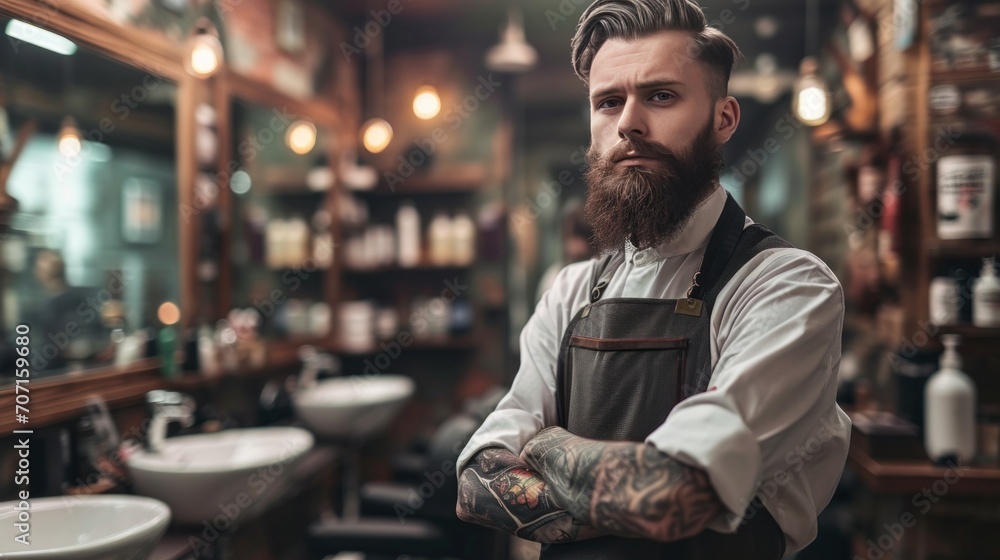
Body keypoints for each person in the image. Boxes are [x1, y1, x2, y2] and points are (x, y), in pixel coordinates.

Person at [455, 1, 850, 559]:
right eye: (608, 101)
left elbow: (671, 493)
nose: (629, 123)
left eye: (661, 96)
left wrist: (542, 444)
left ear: (724, 119)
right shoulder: (569, 290)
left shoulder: (785, 287)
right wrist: (624, 494)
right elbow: (476, 484)